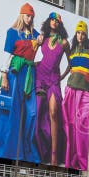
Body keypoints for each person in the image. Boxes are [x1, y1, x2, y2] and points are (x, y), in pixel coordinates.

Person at [0, 2, 41, 162]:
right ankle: (4, 153)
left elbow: (43, 49)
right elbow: (8, 56)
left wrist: (41, 40)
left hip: (29, 75)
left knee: (31, 114)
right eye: (27, 15)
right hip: (14, 76)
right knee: (10, 114)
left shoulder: (36, 34)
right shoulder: (12, 32)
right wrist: (4, 76)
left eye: (31, 16)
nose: (29, 19)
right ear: (21, 15)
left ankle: (23, 150)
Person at [34, 12, 70, 165]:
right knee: (38, 111)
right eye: (52, 19)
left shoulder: (64, 43)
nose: (54, 22)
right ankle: (38, 151)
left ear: (60, 24)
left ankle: (54, 156)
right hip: (40, 76)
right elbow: (32, 54)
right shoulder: (43, 39)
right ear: (48, 21)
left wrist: (62, 77)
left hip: (54, 79)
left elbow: (71, 63)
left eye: (57, 20)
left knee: (54, 112)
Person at [62, 20, 89, 170]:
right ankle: (69, 161)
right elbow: (70, 67)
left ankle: (81, 162)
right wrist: (61, 77)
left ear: (86, 35)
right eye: (78, 32)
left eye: (83, 33)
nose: (80, 35)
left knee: (81, 125)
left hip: (84, 91)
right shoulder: (73, 49)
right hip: (71, 88)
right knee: (69, 125)